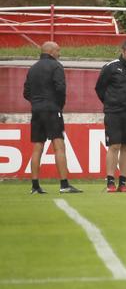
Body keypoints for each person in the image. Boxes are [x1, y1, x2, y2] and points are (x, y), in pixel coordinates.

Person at [23, 41, 81, 194]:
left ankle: (35, 186)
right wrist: (58, 106)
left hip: (36, 110)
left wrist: (36, 102)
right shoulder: (56, 66)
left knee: (37, 147)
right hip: (52, 109)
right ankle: (64, 185)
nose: (59, 53)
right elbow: (61, 88)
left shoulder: (33, 68)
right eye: (58, 50)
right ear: (51, 52)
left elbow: (26, 92)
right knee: (59, 146)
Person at [95, 39, 126, 192]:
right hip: (113, 112)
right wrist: (110, 102)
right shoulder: (111, 67)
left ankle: (123, 182)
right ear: (123, 51)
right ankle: (110, 182)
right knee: (114, 146)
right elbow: (99, 88)